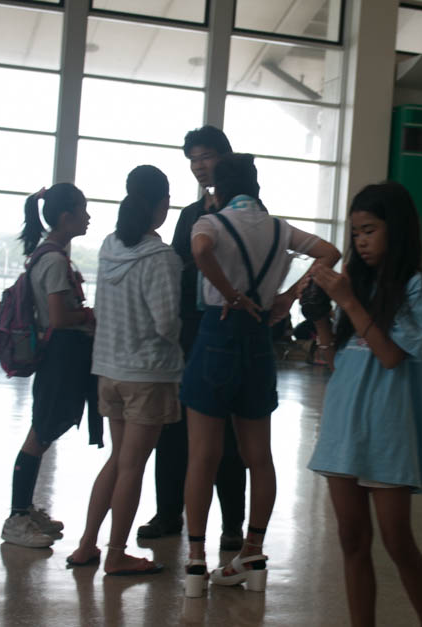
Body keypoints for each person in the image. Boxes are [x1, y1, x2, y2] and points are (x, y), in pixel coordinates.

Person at [180, 153, 340, 596]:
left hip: (217, 333)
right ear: (255, 186)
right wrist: (289, 295)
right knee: (259, 457)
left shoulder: (210, 223)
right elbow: (330, 252)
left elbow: (200, 251)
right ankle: (252, 552)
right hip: (258, 340)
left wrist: (230, 293)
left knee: (203, 456)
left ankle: (196, 560)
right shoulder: (278, 229)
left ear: (218, 189)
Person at [307, 182, 422, 627]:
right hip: (342, 427)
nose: (361, 241)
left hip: (388, 431)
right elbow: (339, 362)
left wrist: (347, 300)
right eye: (356, 233)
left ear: (396, 229)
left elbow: (390, 355)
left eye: (370, 230)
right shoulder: (356, 286)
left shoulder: (420, 288)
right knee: (352, 540)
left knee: (398, 542)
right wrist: (321, 320)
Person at [67, 165, 183, 575]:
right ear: (162, 205)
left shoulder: (109, 247)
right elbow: (166, 323)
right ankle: (116, 554)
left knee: (118, 460)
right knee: (132, 465)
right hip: (146, 375)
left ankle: (87, 545)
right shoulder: (161, 258)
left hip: (109, 370)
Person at [138, 126, 248, 551]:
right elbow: (178, 269)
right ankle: (168, 513)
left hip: (228, 329)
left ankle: (233, 523)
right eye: (193, 160)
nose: (200, 167)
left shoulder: (245, 212)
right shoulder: (188, 215)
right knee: (174, 426)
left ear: (225, 157)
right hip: (189, 332)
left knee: (228, 431)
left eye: (206, 157)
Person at [1, 183, 100, 549]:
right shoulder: (55, 261)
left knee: (43, 431)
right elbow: (59, 317)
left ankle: (25, 510)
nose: (88, 217)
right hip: (60, 355)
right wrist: (91, 314)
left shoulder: (48, 255)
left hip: (59, 356)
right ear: (65, 216)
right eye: (83, 210)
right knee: (40, 434)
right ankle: (16, 517)